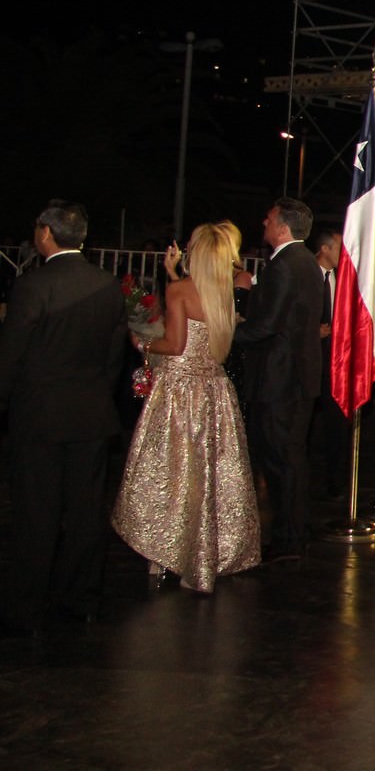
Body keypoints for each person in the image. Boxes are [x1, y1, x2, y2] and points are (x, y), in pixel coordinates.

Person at [111, 222, 260, 593]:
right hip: (214, 390)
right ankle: (205, 554)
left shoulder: (179, 291)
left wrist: (144, 344)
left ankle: (164, 550)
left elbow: (175, 344)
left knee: (171, 472)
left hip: (180, 392)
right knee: (208, 475)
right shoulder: (227, 291)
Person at [0, 201, 127, 636]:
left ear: (46, 234)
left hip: (39, 416)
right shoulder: (107, 285)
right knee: (85, 510)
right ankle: (81, 599)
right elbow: (115, 357)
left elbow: (11, 355)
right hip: (90, 414)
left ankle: (27, 606)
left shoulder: (33, 285)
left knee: (37, 512)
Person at [233, 198, 323, 562]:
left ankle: (288, 537)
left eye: (269, 219)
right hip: (295, 376)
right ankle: (295, 529)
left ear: (283, 227)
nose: (264, 223)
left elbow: (267, 325)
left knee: (280, 458)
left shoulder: (285, 265)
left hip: (280, 379)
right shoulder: (305, 264)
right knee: (290, 457)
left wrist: (227, 334)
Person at [307, 226, 348, 499]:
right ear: (324, 249)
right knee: (306, 422)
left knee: (337, 423)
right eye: (338, 248)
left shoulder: (341, 279)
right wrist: (311, 331)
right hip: (307, 358)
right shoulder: (306, 276)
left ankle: (337, 481)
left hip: (334, 362)